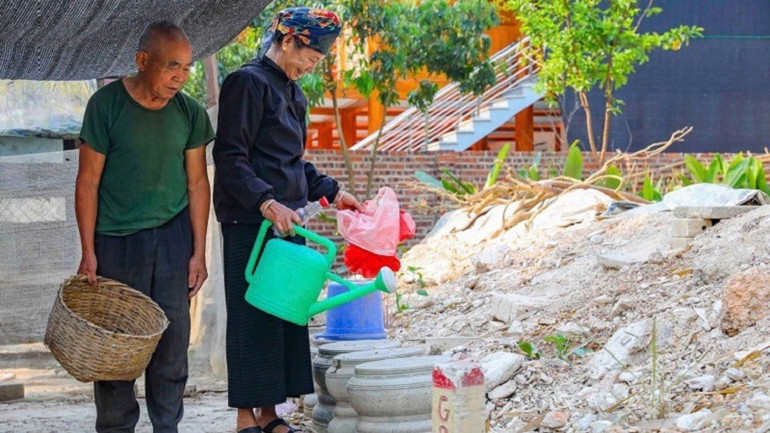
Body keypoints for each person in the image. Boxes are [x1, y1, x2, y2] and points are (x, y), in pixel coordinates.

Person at [213, 7, 361, 433]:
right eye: (309, 58)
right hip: (252, 223)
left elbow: (292, 163)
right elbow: (230, 157)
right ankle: (245, 417)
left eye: (316, 62)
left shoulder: (293, 93)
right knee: (252, 316)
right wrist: (266, 202)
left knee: (284, 316)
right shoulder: (246, 82)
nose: (309, 67)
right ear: (289, 41)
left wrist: (334, 192)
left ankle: (269, 413)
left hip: (289, 224)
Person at [75, 20, 214, 432]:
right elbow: (88, 181)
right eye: (172, 66)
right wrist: (88, 251)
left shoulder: (189, 112)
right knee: (116, 346)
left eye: (187, 68)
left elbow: (197, 183)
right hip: (115, 241)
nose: (180, 77)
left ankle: (166, 427)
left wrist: (198, 253)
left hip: (173, 239)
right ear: (142, 60)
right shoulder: (105, 106)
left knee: (172, 344)